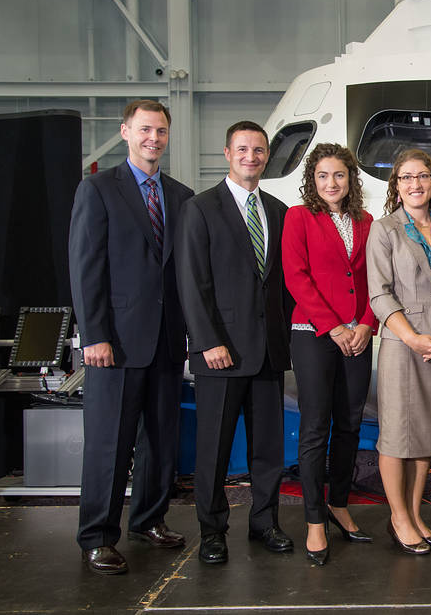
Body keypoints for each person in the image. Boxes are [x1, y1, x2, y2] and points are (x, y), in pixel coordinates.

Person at [68, 99, 193, 575]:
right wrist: (93, 335)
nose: (153, 139)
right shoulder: (98, 190)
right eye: (145, 130)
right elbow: (86, 269)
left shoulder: (180, 196)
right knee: (109, 443)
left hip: (164, 341)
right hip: (114, 343)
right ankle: (97, 536)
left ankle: (149, 519)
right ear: (125, 131)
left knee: (161, 439)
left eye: (161, 131)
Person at [175, 121, 293, 565]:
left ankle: (265, 522)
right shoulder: (200, 208)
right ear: (227, 153)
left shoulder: (279, 211)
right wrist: (207, 341)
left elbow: (280, 287)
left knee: (267, 450)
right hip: (219, 353)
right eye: (242, 149)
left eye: (259, 150)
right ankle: (212, 530)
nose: (251, 157)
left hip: (267, 351)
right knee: (214, 449)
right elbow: (191, 280)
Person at [366, 148, 431, 555]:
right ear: (396, 185)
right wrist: (413, 339)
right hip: (403, 347)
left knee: (427, 435)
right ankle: (398, 517)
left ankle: (414, 513)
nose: (415, 184)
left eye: (422, 176)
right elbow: (379, 293)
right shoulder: (385, 230)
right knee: (396, 436)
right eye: (406, 177)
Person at [282, 143, 377, 566]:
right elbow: (296, 278)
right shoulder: (298, 217)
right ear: (312, 179)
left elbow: (379, 278)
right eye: (323, 175)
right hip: (314, 334)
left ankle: (339, 502)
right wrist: (334, 326)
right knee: (316, 426)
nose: (331, 183)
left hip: (358, 334)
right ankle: (315, 520)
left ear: (350, 179)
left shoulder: (367, 221)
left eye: (338, 175)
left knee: (351, 423)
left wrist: (364, 325)